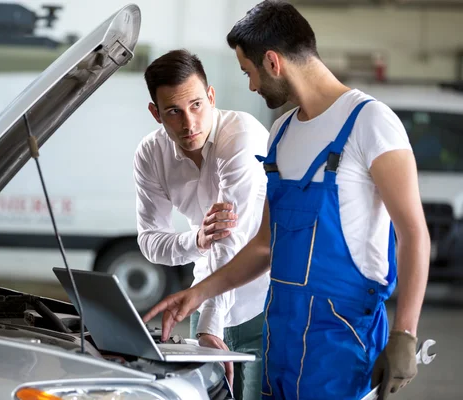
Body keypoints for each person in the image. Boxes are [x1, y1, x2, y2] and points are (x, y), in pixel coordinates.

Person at [143, 2, 431, 400]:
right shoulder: (281, 134)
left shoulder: (370, 123)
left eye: (249, 72)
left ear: (273, 62)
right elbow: (264, 244)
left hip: (343, 345)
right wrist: (197, 293)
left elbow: (413, 232)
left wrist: (405, 333)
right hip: (282, 345)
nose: (251, 87)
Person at [133, 49, 271, 400]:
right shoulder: (150, 154)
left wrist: (210, 323)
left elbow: (230, 240)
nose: (189, 123)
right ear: (156, 113)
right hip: (204, 295)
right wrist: (195, 240)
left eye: (196, 105)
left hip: (265, 304)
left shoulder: (240, 135)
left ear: (211, 97)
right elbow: (150, 240)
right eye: (174, 112)